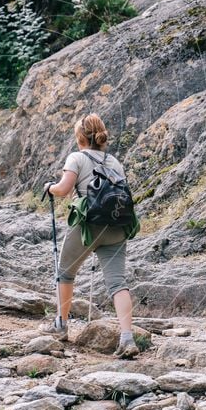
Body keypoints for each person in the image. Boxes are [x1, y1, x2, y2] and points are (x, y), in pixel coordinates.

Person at [41, 113, 139, 358]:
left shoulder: (77, 157)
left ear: (80, 138)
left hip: (87, 226)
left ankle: (61, 326)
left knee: (65, 273)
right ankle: (127, 338)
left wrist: (49, 188)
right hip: (116, 227)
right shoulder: (115, 162)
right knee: (118, 283)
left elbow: (63, 190)